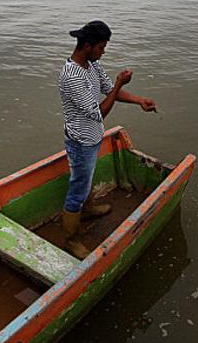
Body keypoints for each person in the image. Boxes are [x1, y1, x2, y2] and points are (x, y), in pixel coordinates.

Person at [59, 20, 158, 258]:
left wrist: (139, 100)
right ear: (88, 45)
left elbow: (109, 89)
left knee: (86, 178)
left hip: (92, 136)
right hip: (80, 141)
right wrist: (119, 84)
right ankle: (71, 240)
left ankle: (89, 208)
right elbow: (100, 111)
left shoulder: (92, 65)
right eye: (102, 47)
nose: (103, 51)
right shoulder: (72, 77)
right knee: (77, 189)